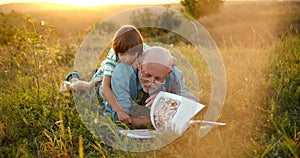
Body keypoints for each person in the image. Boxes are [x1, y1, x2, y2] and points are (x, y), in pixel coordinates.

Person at [61, 25, 148, 124]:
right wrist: (119, 110)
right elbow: (105, 87)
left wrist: (140, 59)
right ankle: (71, 83)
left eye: (132, 54)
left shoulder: (142, 49)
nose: (127, 59)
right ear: (117, 52)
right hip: (104, 73)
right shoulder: (113, 58)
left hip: (122, 76)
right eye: (123, 54)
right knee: (88, 87)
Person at [111, 46, 199, 128]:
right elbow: (122, 117)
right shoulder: (122, 74)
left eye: (158, 78)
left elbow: (191, 101)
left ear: (168, 73)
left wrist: (166, 98)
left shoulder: (173, 74)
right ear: (138, 65)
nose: (151, 83)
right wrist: (156, 120)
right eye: (147, 75)